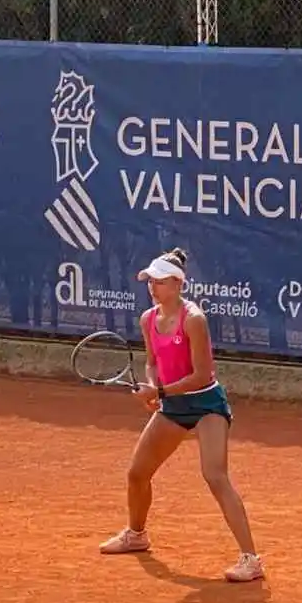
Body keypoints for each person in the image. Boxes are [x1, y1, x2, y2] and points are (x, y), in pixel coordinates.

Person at [98, 248, 264, 583]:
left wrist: (159, 393)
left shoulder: (194, 319)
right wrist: (152, 384)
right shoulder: (148, 319)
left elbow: (202, 375)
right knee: (137, 473)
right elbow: (153, 360)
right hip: (173, 408)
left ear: (176, 284)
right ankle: (137, 534)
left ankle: (251, 559)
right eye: (150, 281)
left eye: (158, 281)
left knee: (214, 475)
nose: (152, 287)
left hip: (206, 406)